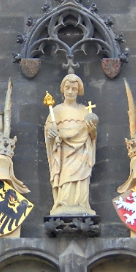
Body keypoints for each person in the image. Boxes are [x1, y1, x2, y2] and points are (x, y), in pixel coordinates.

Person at [45, 73, 98, 215]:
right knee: (66, 176)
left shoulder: (85, 110)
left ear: (79, 91)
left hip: (82, 152)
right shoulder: (56, 111)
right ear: (62, 89)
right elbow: (49, 134)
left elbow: (91, 137)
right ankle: (64, 202)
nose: (70, 91)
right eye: (67, 87)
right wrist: (51, 134)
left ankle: (81, 204)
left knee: (81, 179)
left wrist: (92, 131)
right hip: (63, 153)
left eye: (74, 88)